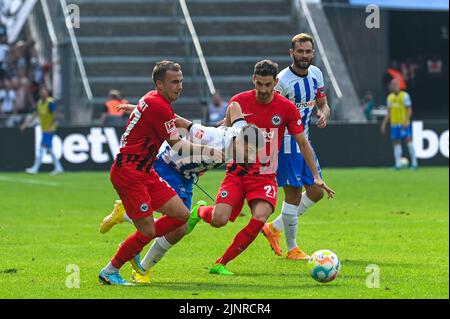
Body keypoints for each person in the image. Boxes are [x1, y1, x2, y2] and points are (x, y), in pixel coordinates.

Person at [186, 59, 335, 275]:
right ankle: (199, 212)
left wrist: (315, 176)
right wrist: (202, 162)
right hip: (237, 172)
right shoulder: (238, 102)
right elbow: (223, 133)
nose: (263, 90)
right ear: (253, 80)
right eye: (259, 84)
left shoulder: (286, 108)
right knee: (219, 220)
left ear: (275, 82)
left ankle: (221, 263)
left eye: (268, 85)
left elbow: (303, 142)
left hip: (265, 175)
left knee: (259, 218)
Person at [99, 102, 264, 283]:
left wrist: (226, 122)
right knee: (178, 222)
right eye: (249, 151)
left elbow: (234, 106)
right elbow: (183, 123)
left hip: (186, 176)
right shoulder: (213, 138)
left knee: (180, 229)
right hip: (168, 167)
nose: (249, 157)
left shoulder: (240, 131)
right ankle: (134, 257)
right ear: (241, 141)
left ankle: (138, 256)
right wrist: (140, 111)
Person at [98, 60, 222, 285]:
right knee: (146, 231)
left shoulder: (153, 99)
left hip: (145, 171)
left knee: (182, 215)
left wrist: (135, 108)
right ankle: (109, 271)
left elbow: (154, 115)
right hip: (129, 172)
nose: (180, 86)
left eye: (181, 81)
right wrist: (210, 151)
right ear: (160, 84)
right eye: (174, 82)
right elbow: (177, 145)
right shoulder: (160, 106)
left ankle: (130, 238)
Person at [261, 33, 331, 260]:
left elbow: (322, 102)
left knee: (316, 191)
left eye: (308, 51)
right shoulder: (282, 81)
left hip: (304, 143)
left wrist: (323, 112)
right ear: (291, 53)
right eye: (299, 51)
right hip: (285, 146)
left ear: (313, 53)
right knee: (291, 195)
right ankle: (293, 249)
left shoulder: (316, 74)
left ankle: (274, 228)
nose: (304, 55)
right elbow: (269, 110)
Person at [20, 84, 63, 175]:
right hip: (44, 129)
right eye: (41, 91)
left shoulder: (50, 102)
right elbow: (34, 115)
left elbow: (54, 115)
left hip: (49, 129)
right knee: (49, 149)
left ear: (47, 93)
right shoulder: (39, 103)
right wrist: (25, 124)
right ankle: (58, 167)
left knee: (42, 148)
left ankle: (36, 168)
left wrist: (51, 126)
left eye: (44, 91)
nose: (43, 93)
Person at [381, 79, 418, 170]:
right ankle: (398, 165)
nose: (393, 86)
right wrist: (384, 123)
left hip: (403, 123)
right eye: (391, 85)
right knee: (396, 143)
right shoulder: (390, 98)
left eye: (394, 84)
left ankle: (414, 163)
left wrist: (406, 121)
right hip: (394, 124)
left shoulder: (405, 96)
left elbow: (409, 110)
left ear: (398, 85)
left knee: (409, 142)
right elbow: (389, 112)